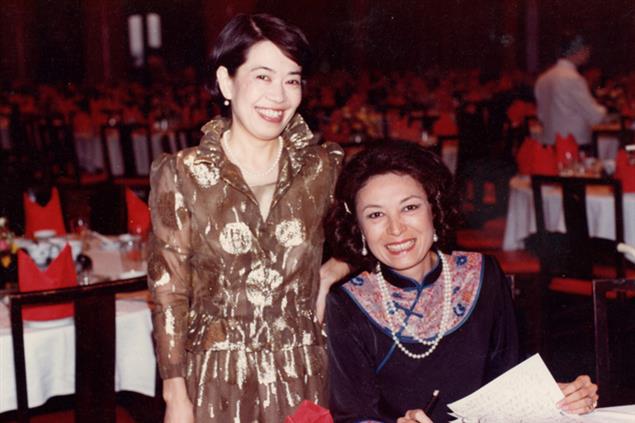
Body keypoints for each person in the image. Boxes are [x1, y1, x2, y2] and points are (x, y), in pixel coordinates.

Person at [147, 13, 348, 422]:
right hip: (216, 378)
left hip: (301, 374)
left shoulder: (322, 168)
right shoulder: (183, 173)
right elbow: (169, 292)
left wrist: (332, 271)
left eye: (292, 80)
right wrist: (175, 395)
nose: (279, 96)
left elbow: (375, 231)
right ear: (226, 82)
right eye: (263, 76)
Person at [323, 141, 599, 423]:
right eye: (375, 215)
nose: (396, 229)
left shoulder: (482, 274)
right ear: (359, 227)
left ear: (434, 208)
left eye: (410, 207)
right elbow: (353, 416)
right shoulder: (348, 303)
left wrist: (561, 396)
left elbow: (510, 382)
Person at [534, 33, 607, 146]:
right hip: (574, 143)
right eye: (586, 50)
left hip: (549, 142)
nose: (588, 54)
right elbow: (595, 116)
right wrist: (604, 111)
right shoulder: (573, 78)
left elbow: (541, 116)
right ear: (579, 50)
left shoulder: (543, 79)